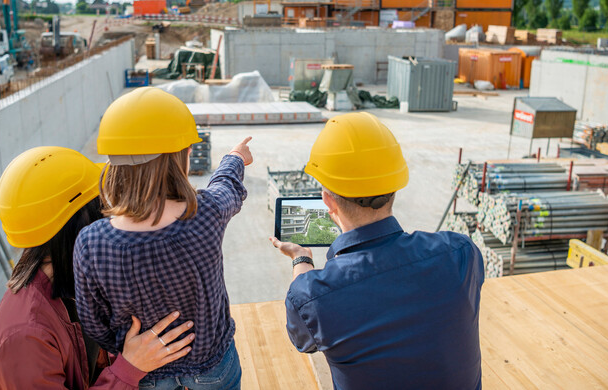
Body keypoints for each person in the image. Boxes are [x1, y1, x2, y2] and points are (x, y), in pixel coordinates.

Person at [269, 112, 485, 390]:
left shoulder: (312, 296)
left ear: (328, 202)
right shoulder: (460, 253)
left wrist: (301, 258)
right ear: (395, 186)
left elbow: (304, 340)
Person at [73, 87, 251, 390]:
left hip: (145, 377)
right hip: (213, 370)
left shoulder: (91, 243)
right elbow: (228, 187)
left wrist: (128, 353)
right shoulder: (206, 213)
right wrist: (235, 157)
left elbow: (93, 323)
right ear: (179, 157)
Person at [0, 146, 195, 390]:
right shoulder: (23, 338)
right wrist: (129, 368)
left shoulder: (73, 282)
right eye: (104, 207)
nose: (112, 219)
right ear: (82, 225)